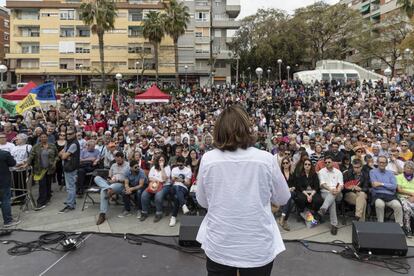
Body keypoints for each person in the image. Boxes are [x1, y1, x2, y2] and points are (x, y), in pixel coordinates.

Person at [196, 105, 290, 276]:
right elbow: (283, 197)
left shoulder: (208, 159)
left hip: (220, 244)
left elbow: (202, 201)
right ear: (247, 128)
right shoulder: (266, 159)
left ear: (219, 131)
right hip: (257, 246)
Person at [95, 151, 129, 225]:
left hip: (120, 184)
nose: (118, 162)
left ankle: (102, 214)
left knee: (103, 191)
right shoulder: (113, 165)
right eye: (116, 160)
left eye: (119, 160)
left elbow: (129, 179)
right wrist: (109, 180)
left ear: (123, 158)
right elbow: (109, 176)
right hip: (111, 183)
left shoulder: (127, 165)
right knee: (97, 178)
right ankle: (108, 189)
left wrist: (118, 180)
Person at [370, 156, 404, 230]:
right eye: (380, 162)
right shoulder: (373, 172)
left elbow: (394, 186)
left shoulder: (390, 173)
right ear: (377, 163)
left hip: (390, 196)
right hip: (378, 195)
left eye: (384, 162)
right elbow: (374, 185)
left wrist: (381, 184)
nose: (382, 164)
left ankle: (399, 227)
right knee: (379, 204)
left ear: (386, 164)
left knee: (398, 206)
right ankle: (381, 225)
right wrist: (388, 186)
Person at [27, 132, 59, 210]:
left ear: (47, 138)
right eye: (42, 137)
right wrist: (27, 163)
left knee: (48, 184)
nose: (44, 138)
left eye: (45, 137)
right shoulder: (36, 147)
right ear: (39, 138)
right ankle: (41, 201)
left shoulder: (52, 145)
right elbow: (31, 156)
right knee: (42, 185)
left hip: (50, 169)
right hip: (39, 169)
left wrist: (55, 162)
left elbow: (57, 156)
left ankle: (48, 197)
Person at [140, 154, 171, 222]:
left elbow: (164, 179)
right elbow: (150, 177)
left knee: (158, 195)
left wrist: (162, 167)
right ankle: (144, 212)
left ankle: (158, 213)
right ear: (157, 161)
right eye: (160, 160)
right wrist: (157, 180)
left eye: (163, 160)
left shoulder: (167, 167)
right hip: (154, 184)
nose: (161, 161)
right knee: (144, 194)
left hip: (165, 186)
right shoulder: (153, 167)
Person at [317, 155, 344, 235]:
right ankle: (334, 225)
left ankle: (323, 209)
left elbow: (341, 185)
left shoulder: (338, 172)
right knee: (332, 202)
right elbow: (322, 184)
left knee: (333, 196)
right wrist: (330, 190)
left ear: (333, 162)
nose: (327, 163)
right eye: (325, 162)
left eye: (329, 162)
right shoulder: (321, 171)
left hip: (338, 193)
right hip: (325, 192)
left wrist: (337, 190)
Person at [59, 127, 80, 213]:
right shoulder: (68, 142)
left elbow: (63, 156)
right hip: (67, 166)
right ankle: (71, 200)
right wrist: (66, 155)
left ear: (75, 134)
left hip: (71, 167)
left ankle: (70, 204)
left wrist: (65, 155)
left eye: (70, 134)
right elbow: (60, 153)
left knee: (70, 187)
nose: (68, 135)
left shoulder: (74, 144)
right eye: (67, 134)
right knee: (70, 186)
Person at [169, 156, 192, 227]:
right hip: (174, 187)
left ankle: (173, 217)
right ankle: (183, 205)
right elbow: (172, 182)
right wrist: (173, 180)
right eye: (178, 165)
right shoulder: (174, 169)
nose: (179, 166)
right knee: (177, 187)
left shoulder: (188, 170)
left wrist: (181, 180)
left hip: (184, 189)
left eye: (181, 165)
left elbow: (188, 184)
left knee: (176, 197)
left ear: (184, 163)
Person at [0, 148, 18, 227]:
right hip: (3, 181)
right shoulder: (4, 153)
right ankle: (8, 221)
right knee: (5, 200)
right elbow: (13, 163)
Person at [278, 157, 295, 231]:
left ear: (289, 164)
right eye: (283, 163)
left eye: (286, 163)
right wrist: (287, 189)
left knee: (290, 195)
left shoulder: (292, 173)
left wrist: (292, 188)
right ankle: (284, 220)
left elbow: (296, 184)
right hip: (282, 193)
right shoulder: (279, 174)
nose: (285, 164)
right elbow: (278, 186)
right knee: (290, 202)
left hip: (292, 192)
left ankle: (282, 218)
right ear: (282, 165)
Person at [397, 161, 414, 237]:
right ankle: (408, 229)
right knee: (407, 209)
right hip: (402, 197)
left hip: (413, 197)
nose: (409, 170)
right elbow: (399, 190)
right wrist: (410, 194)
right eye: (408, 168)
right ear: (404, 168)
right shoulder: (399, 177)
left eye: (411, 168)